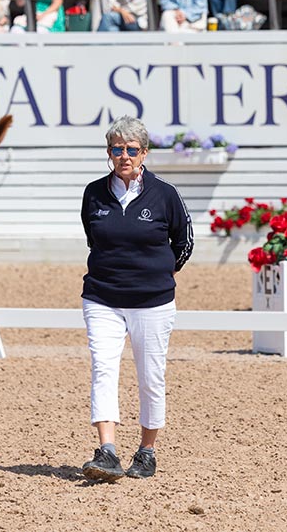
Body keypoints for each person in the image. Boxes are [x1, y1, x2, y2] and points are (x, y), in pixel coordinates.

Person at [79, 116, 193, 483]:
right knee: (103, 368)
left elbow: (184, 242)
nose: (123, 155)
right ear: (109, 152)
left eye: (131, 149)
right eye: (117, 149)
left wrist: (161, 273)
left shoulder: (165, 194)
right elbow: (93, 239)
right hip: (102, 298)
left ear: (144, 153)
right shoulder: (93, 193)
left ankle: (146, 452)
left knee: (150, 377)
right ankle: (107, 451)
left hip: (153, 302)